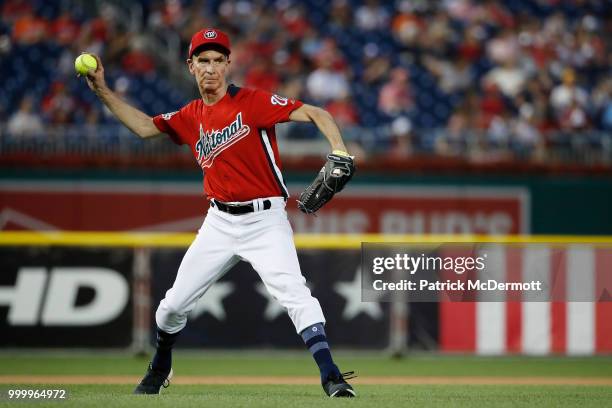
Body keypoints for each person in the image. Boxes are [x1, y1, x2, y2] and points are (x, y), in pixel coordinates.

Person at [81, 28, 356, 398]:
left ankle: (331, 376)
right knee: (171, 307)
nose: (210, 68)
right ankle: (160, 366)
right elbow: (145, 128)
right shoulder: (190, 115)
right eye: (202, 61)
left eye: (217, 60)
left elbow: (316, 112)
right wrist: (101, 89)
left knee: (295, 293)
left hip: (266, 220)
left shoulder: (253, 102)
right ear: (190, 66)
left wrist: (339, 148)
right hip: (219, 222)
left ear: (228, 64)